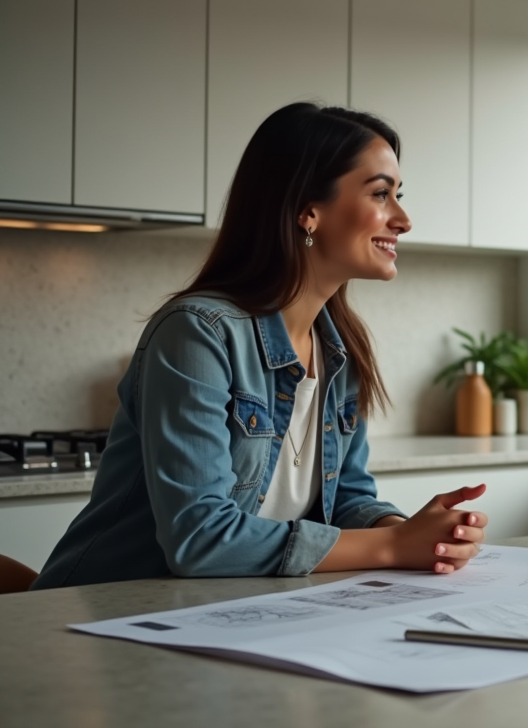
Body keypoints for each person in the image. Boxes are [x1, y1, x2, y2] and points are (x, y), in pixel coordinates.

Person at [33, 103, 487, 589]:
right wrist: (394, 547)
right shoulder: (197, 333)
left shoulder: (341, 351)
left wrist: (414, 534)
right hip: (102, 616)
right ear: (308, 211)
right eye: (381, 194)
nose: (403, 219)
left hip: (220, 616)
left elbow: (347, 498)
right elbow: (199, 539)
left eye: (399, 195)